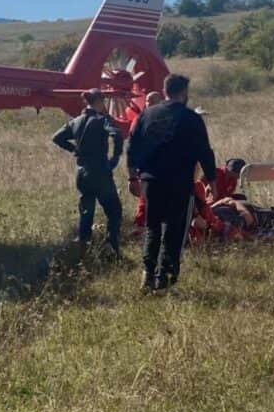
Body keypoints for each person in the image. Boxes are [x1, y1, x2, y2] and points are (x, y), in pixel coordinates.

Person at [128, 73, 217, 291]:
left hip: (150, 182)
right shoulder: (191, 118)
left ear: (165, 90)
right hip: (178, 183)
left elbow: (132, 148)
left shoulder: (146, 115)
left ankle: (147, 274)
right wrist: (212, 181)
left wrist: (132, 177)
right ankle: (165, 279)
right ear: (184, 92)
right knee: (174, 230)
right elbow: (205, 153)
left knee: (153, 227)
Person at [52, 89, 124, 256]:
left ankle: (83, 247)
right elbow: (117, 134)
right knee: (114, 211)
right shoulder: (102, 120)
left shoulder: (75, 121)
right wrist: (115, 157)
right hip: (100, 172)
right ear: (98, 101)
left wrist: (74, 149)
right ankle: (111, 247)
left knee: (86, 210)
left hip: (82, 173)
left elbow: (57, 137)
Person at [129, 91, 164, 235]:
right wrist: (132, 177)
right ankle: (142, 228)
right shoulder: (139, 121)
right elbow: (132, 149)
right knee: (146, 199)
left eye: (152, 101)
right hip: (147, 170)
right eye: (148, 101)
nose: (149, 104)